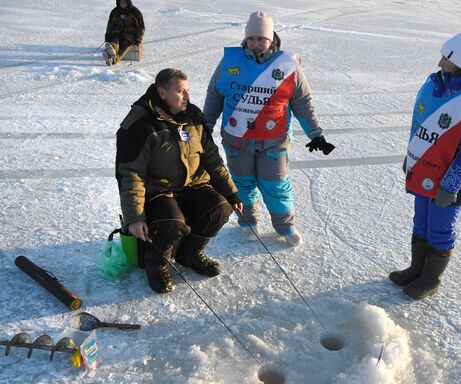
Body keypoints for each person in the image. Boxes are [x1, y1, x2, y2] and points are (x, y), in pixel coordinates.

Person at [203, 10, 335, 247]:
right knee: (242, 182)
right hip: (237, 139)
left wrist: (315, 133)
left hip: (274, 139)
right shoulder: (231, 61)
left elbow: (302, 102)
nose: (255, 44)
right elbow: (215, 95)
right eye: (251, 38)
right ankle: (248, 222)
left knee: (276, 184)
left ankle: (285, 225)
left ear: (272, 38)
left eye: (261, 38)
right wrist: (205, 127)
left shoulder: (287, 64)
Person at [115, 68, 242, 294]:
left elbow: (212, 158)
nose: (187, 96)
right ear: (162, 92)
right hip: (157, 191)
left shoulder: (193, 116)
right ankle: (158, 264)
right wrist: (134, 217)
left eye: (188, 90)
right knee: (172, 223)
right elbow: (130, 174)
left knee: (220, 208)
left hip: (192, 184)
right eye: (180, 91)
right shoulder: (139, 124)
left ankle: (190, 253)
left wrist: (231, 193)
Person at [389, 32, 461, 300]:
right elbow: (422, 122)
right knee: (421, 221)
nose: (439, 63)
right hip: (425, 168)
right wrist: (412, 156)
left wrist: (450, 186)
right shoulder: (436, 83)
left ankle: (431, 278)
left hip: (452, 179)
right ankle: (416, 269)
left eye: (445, 59)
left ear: (459, 62)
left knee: (440, 227)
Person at [103, 0, 145, 66]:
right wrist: (107, 35)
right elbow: (110, 24)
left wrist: (138, 38)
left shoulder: (135, 12)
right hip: (117, 32)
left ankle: (113, 59)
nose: (122, 4)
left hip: (130, 36)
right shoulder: (115, 11)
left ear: (128, 2)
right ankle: (111, 49)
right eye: (121, 2)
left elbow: (141, 26)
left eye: (124, 2)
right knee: (114, 40)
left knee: (124, 46)